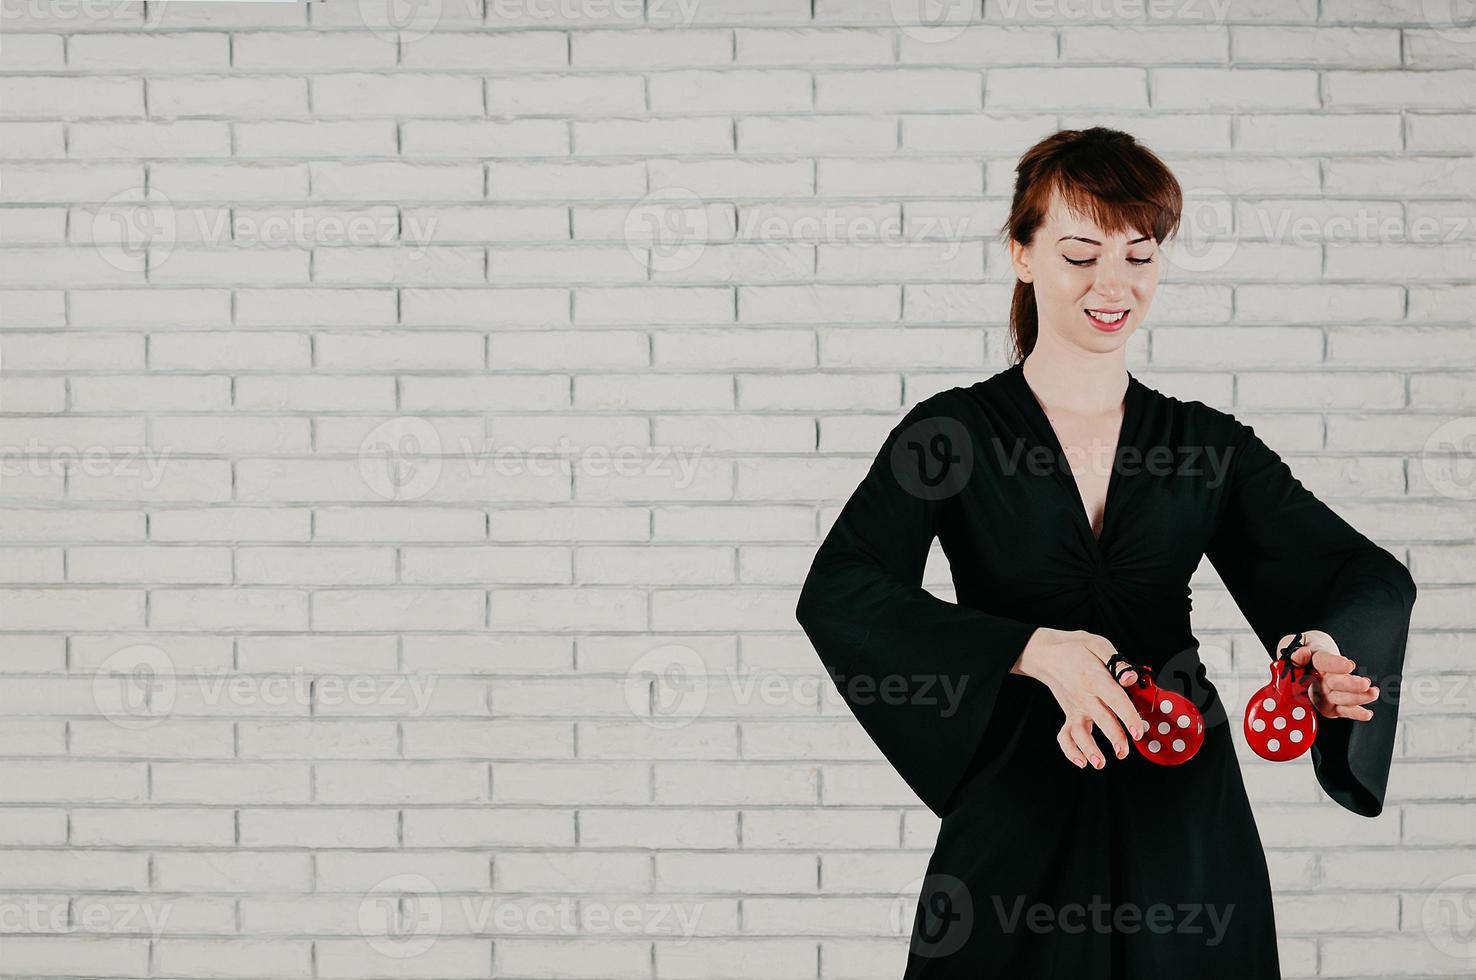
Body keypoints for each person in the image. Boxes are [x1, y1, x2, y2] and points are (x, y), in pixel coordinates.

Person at [794, 127, 1417, 978]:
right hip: (1018, 816)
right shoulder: (952, 435)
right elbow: (839, 588)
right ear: (1022, 253)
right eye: (1081, 253)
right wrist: (1027, 648)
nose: (1112, 284)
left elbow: (1363, 576)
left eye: (1139, 255)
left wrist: (1317, 643)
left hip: (1186, 824)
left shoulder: (1206, 447)